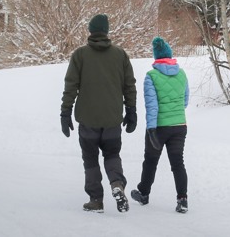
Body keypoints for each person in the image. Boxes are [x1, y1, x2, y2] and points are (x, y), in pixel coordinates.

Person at [60, 14, 138, 213]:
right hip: (112, 119)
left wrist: (65, 112)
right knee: (112, 154)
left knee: (90, 159)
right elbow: (129, 86)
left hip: (88, 120)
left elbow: (71, 86)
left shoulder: (80, 55)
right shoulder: (120, 55)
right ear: (107, 31)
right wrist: (131, 111)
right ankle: (117, 184)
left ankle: (96, 199)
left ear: (90, 30)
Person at [130, 36, 190, 214]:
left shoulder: (151, 76)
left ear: (156, 57)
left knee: (150, 161)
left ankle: (144, 193)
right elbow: (185, 101)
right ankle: (182, 199)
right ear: (170, 55)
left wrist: (151, 129)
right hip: (180, 125)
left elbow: (152, 106)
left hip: (160, 127)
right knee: (178, 163)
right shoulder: (182, 74)